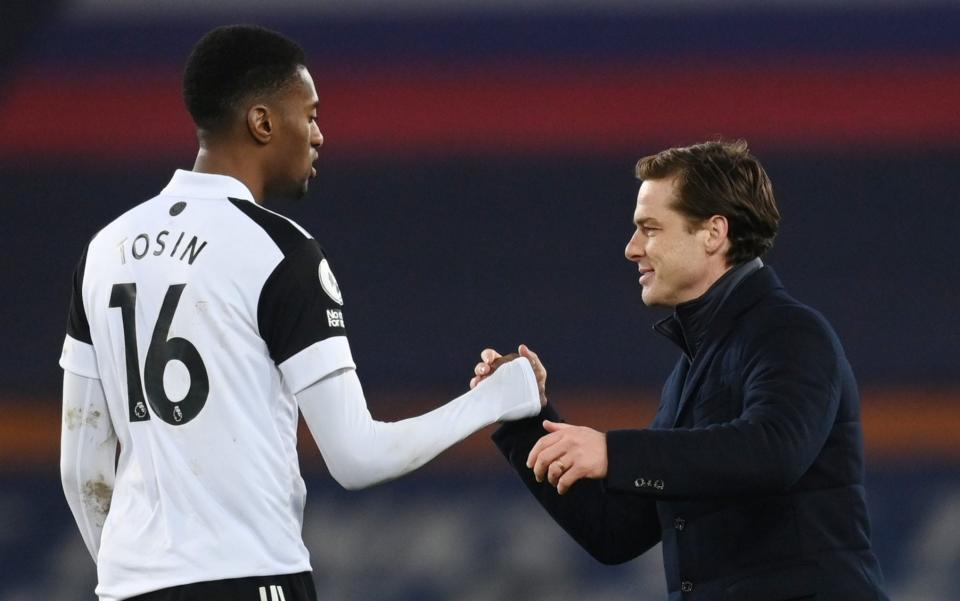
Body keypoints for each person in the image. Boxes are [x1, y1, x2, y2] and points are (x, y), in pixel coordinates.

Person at [58, 25, 541, 601]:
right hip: (251, 577)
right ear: (262, 123)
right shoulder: (279, 250)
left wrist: (125, 573)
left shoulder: (105, 249)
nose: (318, 135)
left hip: (127, 587)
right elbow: (357, 457)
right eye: (308, 114)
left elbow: (81, 465)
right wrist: (499, 397)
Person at [471, 140, 889, 600]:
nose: (632, 249)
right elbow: (618, 532)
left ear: (713, 233)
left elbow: (775, 452)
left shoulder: (789, 332)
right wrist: (524, 419)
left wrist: (615, 452)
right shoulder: (695, 365)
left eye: (649, 229)